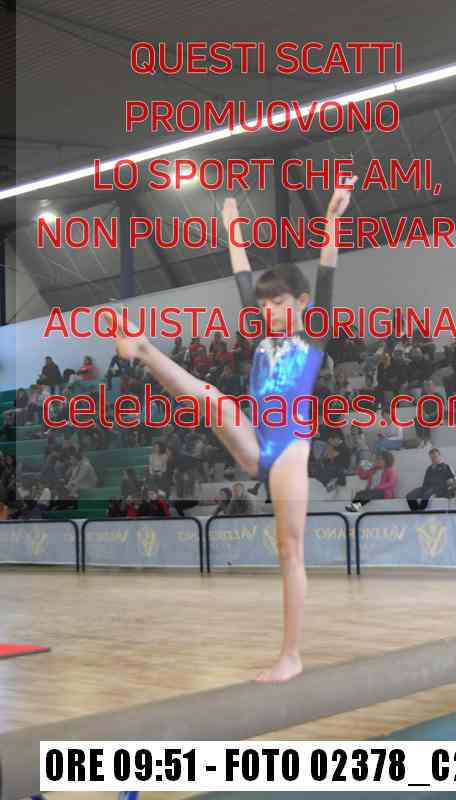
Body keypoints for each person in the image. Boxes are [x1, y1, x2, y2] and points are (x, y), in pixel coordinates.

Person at [100, 177, 357, 682]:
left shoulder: (314, 335)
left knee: (289, 549)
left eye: (279, 304)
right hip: (256, 440)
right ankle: (145, 350)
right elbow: (242, 276)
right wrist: (232, 227)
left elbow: (327, 270)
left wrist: (331, 217)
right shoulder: (260, 336)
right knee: (211, 398)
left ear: (301, 304)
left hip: (290, 448)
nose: (268, 312)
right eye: (264, 306)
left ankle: (291, 654)